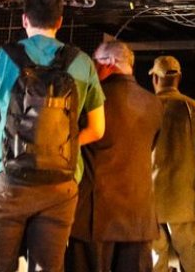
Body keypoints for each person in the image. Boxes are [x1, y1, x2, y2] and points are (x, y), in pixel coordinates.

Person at [0, 0, 107, 272]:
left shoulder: (2, 58)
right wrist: (59, 145)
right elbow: (97, 130)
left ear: (24, 19)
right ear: (60, 22)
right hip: (60, 184)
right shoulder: (82, 63)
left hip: (8, 181)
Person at [70, 40, 164, 272]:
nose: (92, 68)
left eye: (95, 62)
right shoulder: (154, 104)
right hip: (139, 220)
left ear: (110, 63)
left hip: (94, 219)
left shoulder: (91, 101)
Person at [149, 55, 195, 272]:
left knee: (154, 259)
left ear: (155, 79)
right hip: (186, 198)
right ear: (179, 79)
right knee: (193, 256)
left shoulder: (144, 106)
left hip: (149, 200)